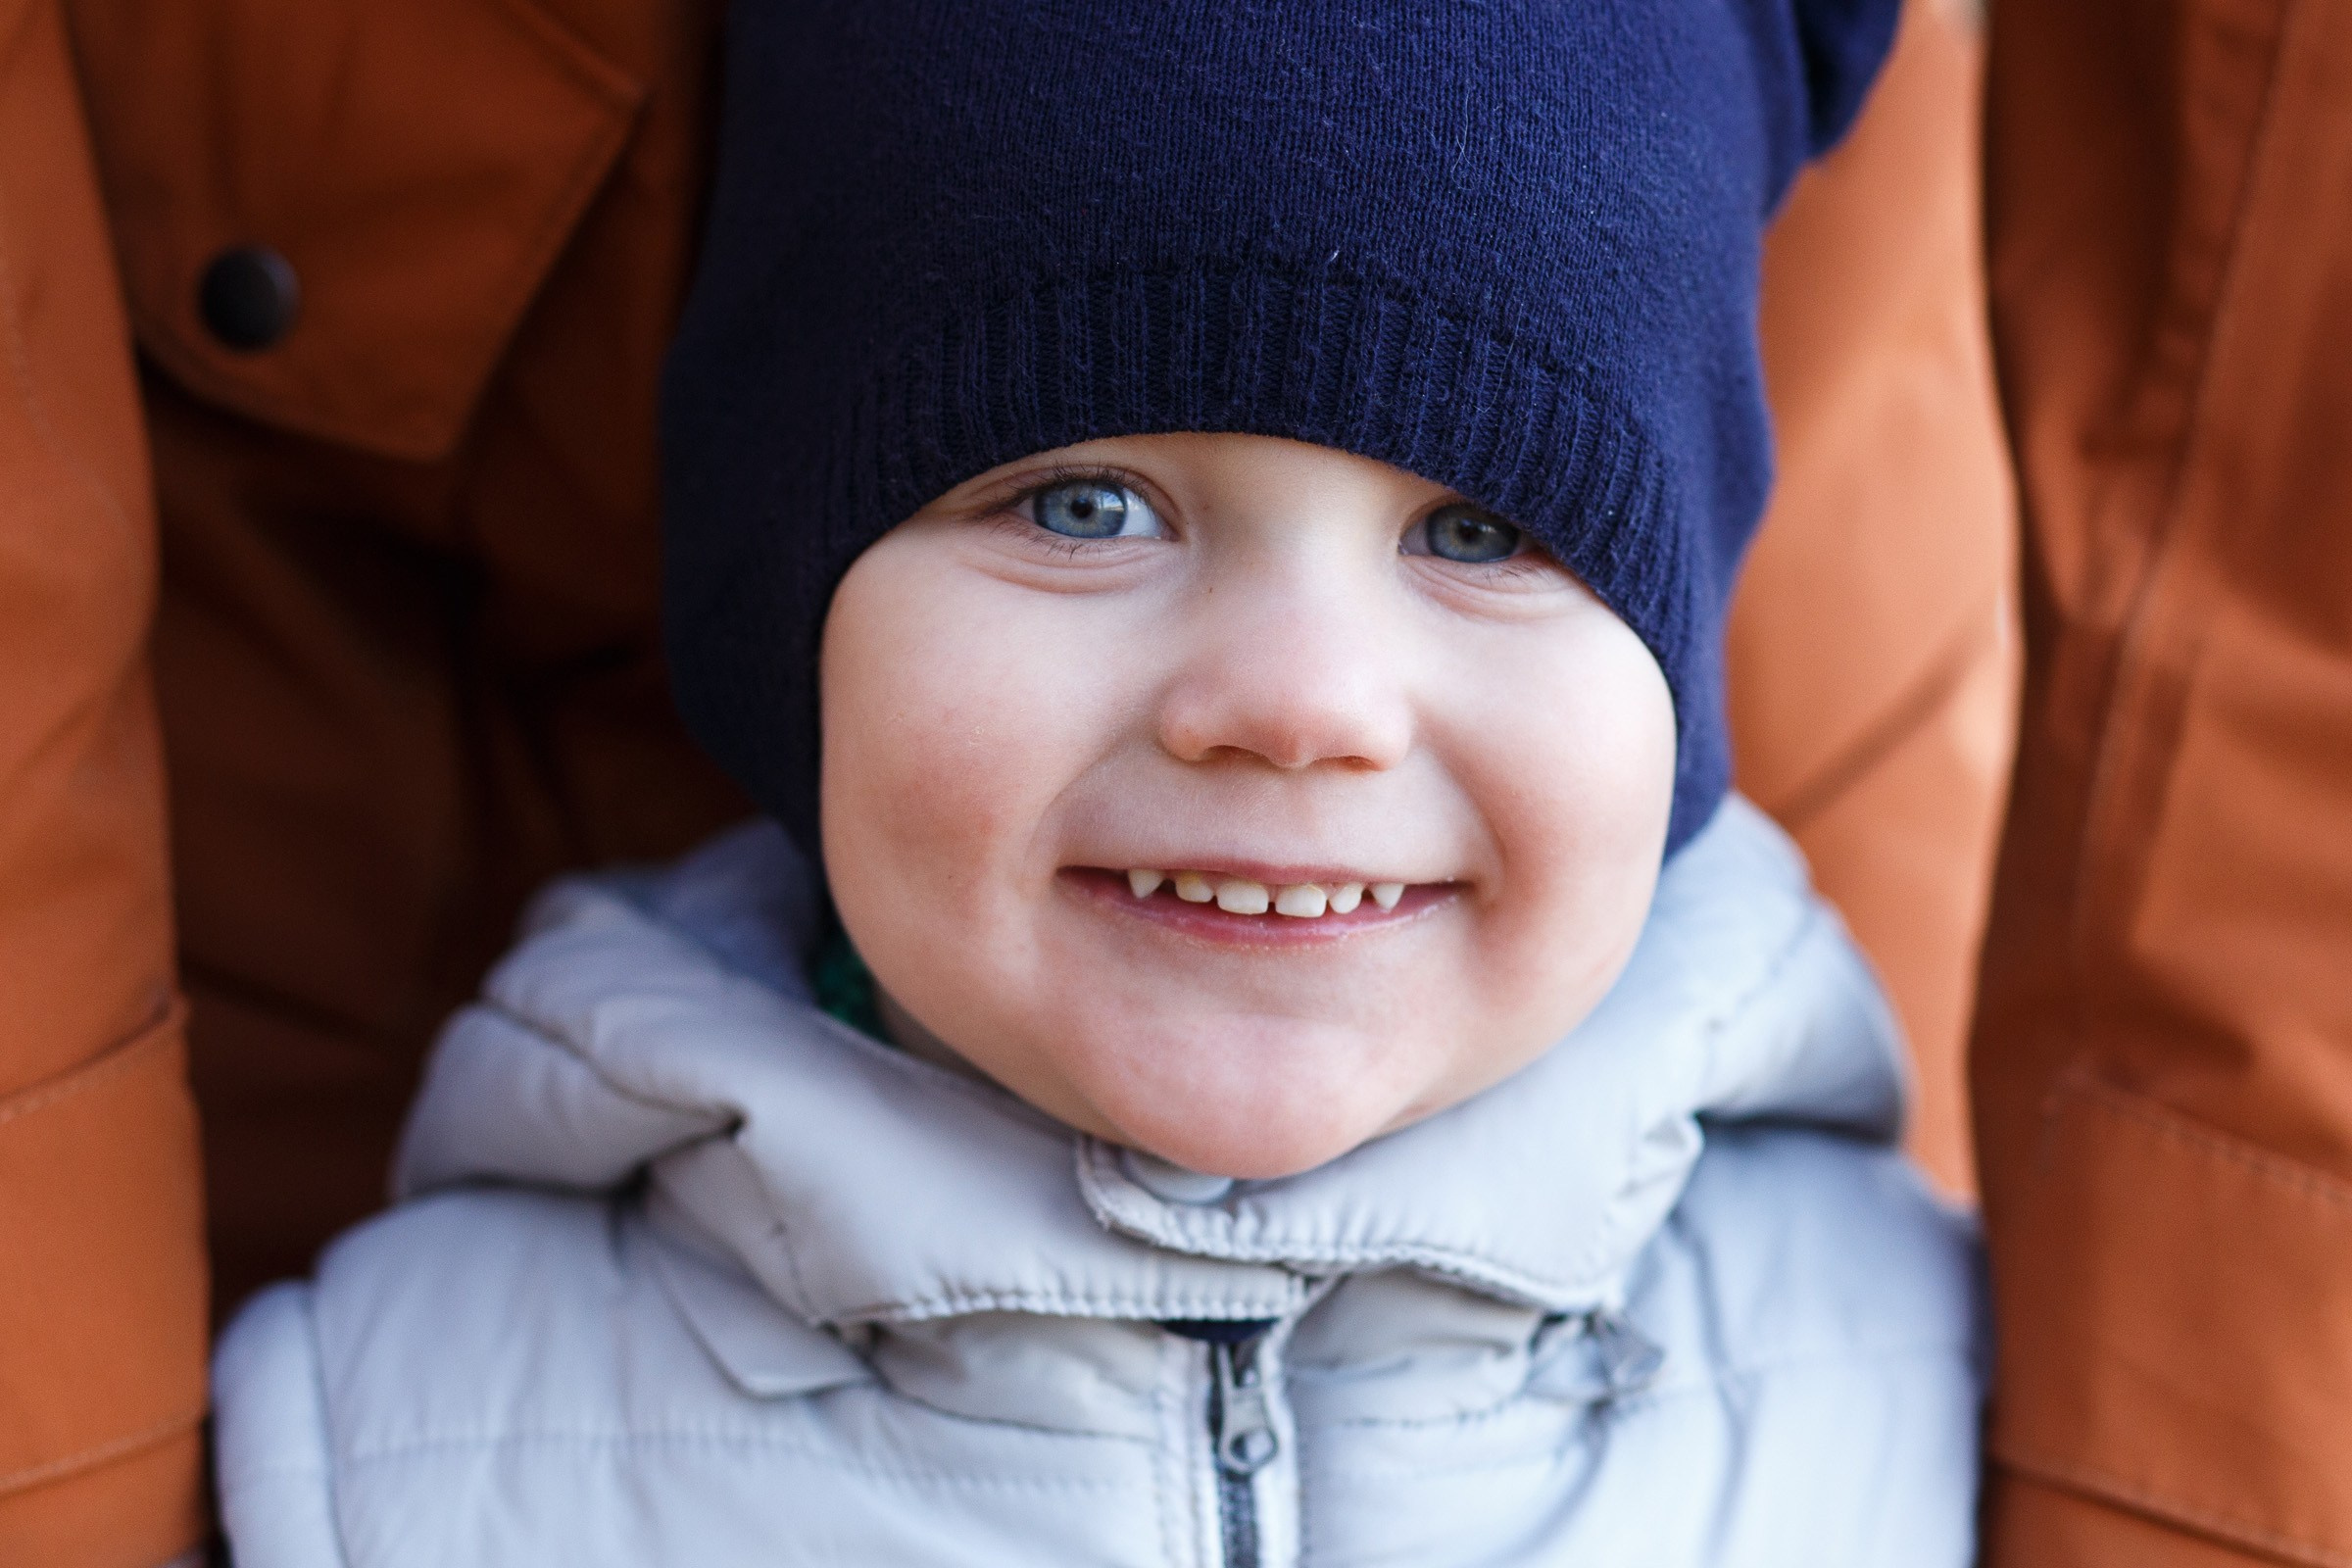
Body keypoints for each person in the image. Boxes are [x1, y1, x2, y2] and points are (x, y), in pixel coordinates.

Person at [204, 3, 1985, 1563]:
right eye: (1085, 505)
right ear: (785, 628)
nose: (1297, 705)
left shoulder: (1922, 1386)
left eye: (1478, 527)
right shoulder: (380, 1444)